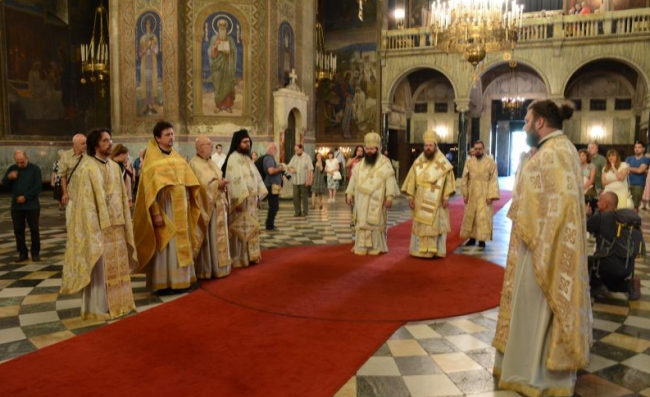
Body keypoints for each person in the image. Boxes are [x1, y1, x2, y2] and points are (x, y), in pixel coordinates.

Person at [493, 100, 591, 397]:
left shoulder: (551, 154)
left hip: (542, 247)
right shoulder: (563, 150)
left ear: (540, 123)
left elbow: (536, 202)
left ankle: (534, 374)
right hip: (551, 242)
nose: (523, 126)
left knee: (536, 308)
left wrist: (525, 167)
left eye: (526, 120)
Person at [61, 128, 136, 320]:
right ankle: (99, 307)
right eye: (105, 141)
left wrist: (125, 221)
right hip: (99, 229)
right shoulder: (87, 168)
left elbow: (121, 196)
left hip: (116, 227)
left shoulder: (113, 166)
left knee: (116, 267)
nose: (110, 143)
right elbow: (85, 205)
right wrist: (95, 228)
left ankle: (120, 303)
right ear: (96, 146)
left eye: (110, 140)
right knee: (100, 269)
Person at [133, 121, 203, 294]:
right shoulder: (151, 162)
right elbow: (149, 192)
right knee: (167, 246)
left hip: (180, 208)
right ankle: (165, 282)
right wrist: (155, 213)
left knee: (181, 243)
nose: (171, 138)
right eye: (167, 135)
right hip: (165, 211)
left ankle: (183, 279)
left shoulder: (176, 157)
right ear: (157, 138)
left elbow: (188, 179)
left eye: (172, 134)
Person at [402, 131, 456, 258]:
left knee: (435, 225)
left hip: (436, 200)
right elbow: (411, 180)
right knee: (421, 224)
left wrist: (446, 197)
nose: (428, 148)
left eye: (430, 145)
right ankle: (418, 250)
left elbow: (448, 181)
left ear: (435, 146)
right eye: (426, 145)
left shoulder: (443, 163)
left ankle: (435, 251)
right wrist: (411, 197)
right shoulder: (418, 162)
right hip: (420, 198)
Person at [346, 132, 399, 255]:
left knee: (375, 222)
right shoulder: (359, 165)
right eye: (367, 149)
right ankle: (361, 246)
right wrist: (349, 193)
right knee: (362, 222)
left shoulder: (385, 163)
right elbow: (353, 180)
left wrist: (389, 196)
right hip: (361, 199)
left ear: (378, 148)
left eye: (372, 149)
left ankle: (376, 247)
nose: (369, 151)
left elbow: (390, 180)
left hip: (377, 199)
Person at [222, 129, 268, 267]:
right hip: (241, 201)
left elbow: (256, 178)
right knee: (240, 228)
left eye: (248, 141)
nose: (247, 144)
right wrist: (237, 200)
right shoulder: (233, 158)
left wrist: (258, 198)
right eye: (244, 142)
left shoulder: (248, 158)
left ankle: (252, 255)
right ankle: (239, 258)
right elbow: (233, 180)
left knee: (251, 227)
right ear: (237, 143)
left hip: (251, 201)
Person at [189, 136, 232, 279]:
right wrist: (216, 184)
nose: (212, 146)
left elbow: (217, 176)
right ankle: (208, 269)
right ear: (200, 147)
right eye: (209, 144)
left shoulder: (211, 162)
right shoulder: (194, 164)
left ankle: (221, 266)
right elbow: (200, 186)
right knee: (210, 238)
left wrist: (222, 182)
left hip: (218, 205)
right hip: (208, 209)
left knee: (218, 237)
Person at [586, 192, 640, 298]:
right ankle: (629, 284)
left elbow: (583, 228)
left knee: (584, 260)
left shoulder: (601, 217)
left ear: (606, 204)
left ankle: (597, 285)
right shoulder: (623, 219)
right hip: (627, 266)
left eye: (600, 201)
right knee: (611, 281)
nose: (597, 203)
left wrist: (586, 214)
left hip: (607, 265)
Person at [2, 150, 42, 262]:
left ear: (26, 158)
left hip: (32, 205)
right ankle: (22, 253)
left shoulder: (35, 169)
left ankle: (35, 253)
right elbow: (4, 184)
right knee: (18, 230)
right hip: (16, 206)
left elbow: (38, 187)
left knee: (34, 229)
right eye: (17, 162)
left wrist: (26, 197)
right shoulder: (12, 168)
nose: (19, 165)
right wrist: (9, 177)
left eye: (22, 162)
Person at [460, 140, 500, 251]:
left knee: (483, 217)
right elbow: (465, 178)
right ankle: (472, 238)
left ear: (483, 149)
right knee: (471, 215)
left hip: (485, 193)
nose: (477, 151)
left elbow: (494, 179)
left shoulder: (490, 162)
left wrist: (491, 196)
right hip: (472, 192)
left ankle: (482, 240)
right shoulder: (469, 162)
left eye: (479, 149)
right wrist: (465, 194)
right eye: (476, 149)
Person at [209, 18, 237, 113]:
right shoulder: (214, 38)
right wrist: (215, 46)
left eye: (223, 25)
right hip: (217, 67)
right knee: (218, 86)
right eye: (220, 25)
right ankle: (219, 106)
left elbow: (234, 52)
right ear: (218, 27)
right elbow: (211, 53)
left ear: (226, 27)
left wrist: (229, 53)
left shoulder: (230, 39)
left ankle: (228, 106)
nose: (222, 27)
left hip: (227, 66)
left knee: (228, 86)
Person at [59, 133, 87, 212]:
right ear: (75, 144)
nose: (85, 145)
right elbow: (62, 176)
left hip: (86, 195)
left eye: (86, 143)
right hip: (72, 194)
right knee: (71, 220)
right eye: (83, 143)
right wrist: (65, 193)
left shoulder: (89, 156)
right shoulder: (65, 155)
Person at [139, 17, 159, 115]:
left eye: (149, 24)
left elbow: (156, 51)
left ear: (151, 25)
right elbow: (140, 53)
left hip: (152, 62)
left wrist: (151, 46)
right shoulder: (142, 38)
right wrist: (146, 46)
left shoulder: (154, 37)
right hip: (145, 62)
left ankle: (152, 105)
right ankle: (147, 106)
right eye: (146, 24)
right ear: (145, 25)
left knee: (152, 83)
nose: (148, 25)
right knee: (146, 84)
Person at [287, 144, 314, 217]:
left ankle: (305, 212)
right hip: (295, 180)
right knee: (296, 197)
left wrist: (309, 180)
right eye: (295, 150)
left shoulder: (307, 157)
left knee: (305, 197)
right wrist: (291, 169)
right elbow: (288, 166)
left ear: (301, 149)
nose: (296, 152)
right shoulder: (294, 157)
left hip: (304, 180)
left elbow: (310, 169)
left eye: (297, 150)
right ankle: (297, 212)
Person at [263, 143, 284, 231]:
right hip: (271, 185)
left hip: (272, 185)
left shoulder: (270, 158)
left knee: (274, 206)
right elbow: (271, 171)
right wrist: (279, 169)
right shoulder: (269, 158)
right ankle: (269, 225)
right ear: (271, 149)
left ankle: (270, 224)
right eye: (275, 148)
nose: (277, 150)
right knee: (274, 206)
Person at [625, 141, 650, 212]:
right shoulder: (629, 158)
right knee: (625, 204)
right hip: (627, 184)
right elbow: (624, 169)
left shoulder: (646, 159)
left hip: (638, 185)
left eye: (639, 147)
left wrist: (629, 168)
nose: (637, 149)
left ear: (643, 149)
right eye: (635, 147)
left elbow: (640, 171)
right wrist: (636, 169)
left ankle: (634, 221)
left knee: (634, 206)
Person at [110, 144, 134, 208]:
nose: (127, 157)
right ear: (121, 155)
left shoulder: (121, 165)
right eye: (126, 155)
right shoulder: (111, 165)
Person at [346, 145, 365, 226]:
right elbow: (347, 165)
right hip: (352, 183)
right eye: (358, 150)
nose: (360, 152)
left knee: (360, 203)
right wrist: (355, 157)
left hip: (361, 184)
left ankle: (360, 219)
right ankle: (353, 219)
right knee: (352, 203)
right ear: (356, 151)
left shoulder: (365, 160)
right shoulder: (352, 159)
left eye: (361, 150)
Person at [579, 148, 598, 214]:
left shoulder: (591, 166)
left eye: (583, 155)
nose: (581, 157)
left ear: (587, 157)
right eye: (579, 155)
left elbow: (592, 180)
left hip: (588, 188)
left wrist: (583, 188)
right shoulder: (577, 166)